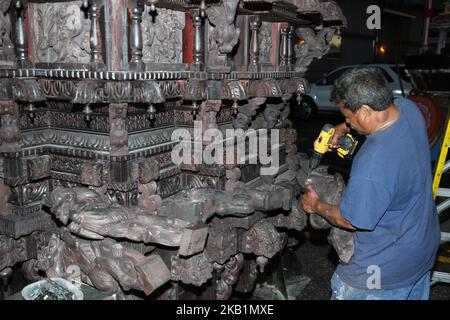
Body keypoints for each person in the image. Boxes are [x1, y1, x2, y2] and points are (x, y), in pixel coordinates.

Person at [300, 67, 441, 300]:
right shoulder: (409, 110)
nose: (347, 122)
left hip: (381, 276)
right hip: (421, 253)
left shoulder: (373, 162)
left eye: (347, 117)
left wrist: (316, 205)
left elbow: (350, 220)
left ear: (365, 110)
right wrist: (343, 127)